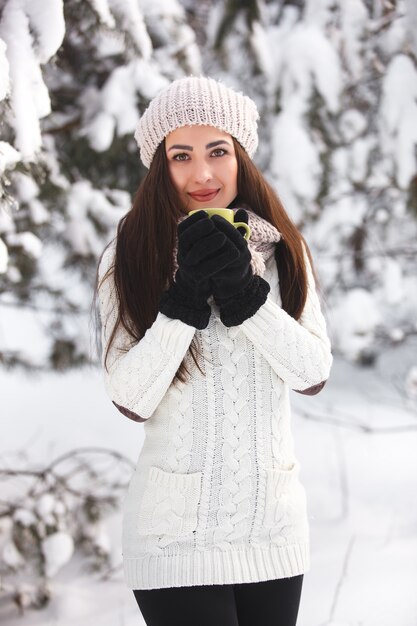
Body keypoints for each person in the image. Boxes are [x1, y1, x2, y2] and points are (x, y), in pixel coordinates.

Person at [95, 75, 333, 626]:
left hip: (272, 529)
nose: (202, 174)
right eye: (180, 155)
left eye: (218, 151)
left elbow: (312, 372)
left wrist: (248, 296)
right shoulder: (128, 255)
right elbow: (131, 396)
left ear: (241, 156)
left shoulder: (282, 249)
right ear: (160, 167)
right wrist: (181, 301)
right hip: (173, 540)